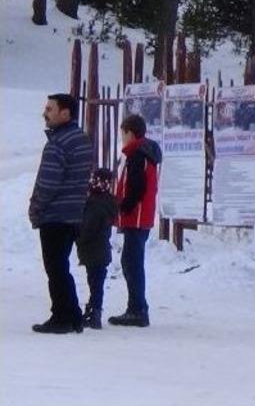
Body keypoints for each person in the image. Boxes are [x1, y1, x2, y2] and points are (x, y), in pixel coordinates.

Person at [29, 93, 93, 334]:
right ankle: (73, 314)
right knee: (61, 265)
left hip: (55, 214)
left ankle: (62, 316)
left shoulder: (57, 143)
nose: (45, 114)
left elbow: (48, 183)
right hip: (74, 212)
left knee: (55, 268)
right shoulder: (82, 139)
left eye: (50, 109)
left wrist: (36, 208)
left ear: (65, 113)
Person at [109, 114, 162, 327]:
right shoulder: (144, 153)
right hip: (140, 216)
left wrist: (123, 207)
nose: (122, 138)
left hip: (136, 216)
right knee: (131, 261)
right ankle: (138, 307)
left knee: (131, 262)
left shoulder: (138, 155)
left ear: (130, 133)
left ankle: (137, 310)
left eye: (123, 134)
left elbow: (137, 187)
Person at [75, 168, 118, 329]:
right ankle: (94, 309)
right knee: (96, 282)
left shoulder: (94, 204)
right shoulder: (108, 202)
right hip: (101, 249)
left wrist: (78, 237)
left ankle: (95, 312)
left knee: (95, 282)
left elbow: (88, 228)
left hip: (93, 249)